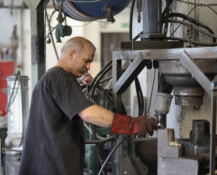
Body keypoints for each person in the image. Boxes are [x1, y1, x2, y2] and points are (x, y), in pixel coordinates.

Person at [18, 36, 156, 175]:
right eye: (86, 60)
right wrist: (132, 124)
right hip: (52, 168)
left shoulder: (51, 78)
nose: (88, 66)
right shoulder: (60, 77)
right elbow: (88, 113)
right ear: (71, 54)